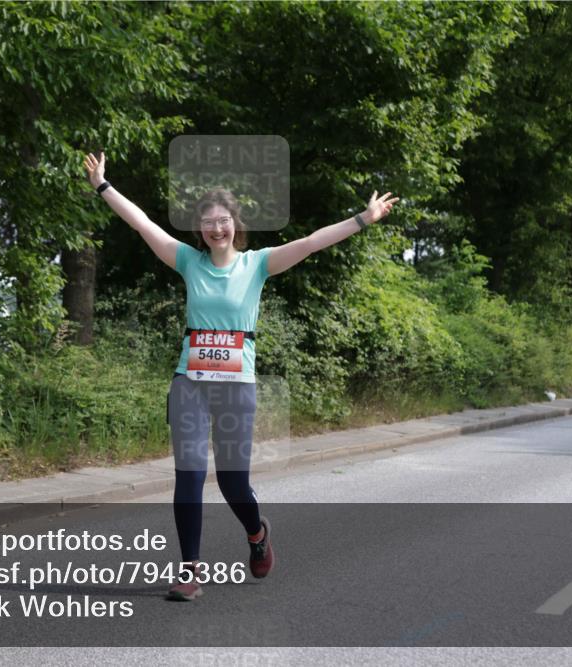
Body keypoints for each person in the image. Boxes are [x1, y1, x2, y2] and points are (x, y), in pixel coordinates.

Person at [83, 150, 398, 601]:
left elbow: (311, 242)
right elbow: (142, 224)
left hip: (236, 387)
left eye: (223, 221)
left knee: (233, 483)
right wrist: (102, 185)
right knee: (189, 476)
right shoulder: (188, 261)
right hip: (188, 382)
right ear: (201, 229)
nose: (216, 228)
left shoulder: (258, 265)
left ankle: (256, 533)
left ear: (235, 224)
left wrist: (363, 219)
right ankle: (190, 572)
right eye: (208, 222)